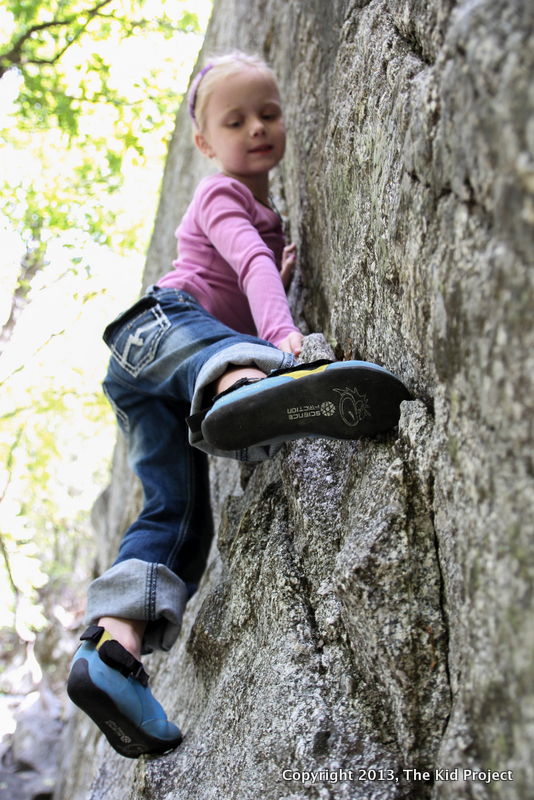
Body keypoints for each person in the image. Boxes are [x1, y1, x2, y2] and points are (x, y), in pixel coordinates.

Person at [67, 52, 411, 758]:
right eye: (235, 119)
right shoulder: (223, 196)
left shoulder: (263, 221)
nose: (256, 127)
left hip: (148, 382)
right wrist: (284, 339)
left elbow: (258, 268)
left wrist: (269, 292)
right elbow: (247, 265)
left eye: (270, 113)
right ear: (204, 142)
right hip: (159, 330)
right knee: (219, 358)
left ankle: (112, 651)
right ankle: (238, 388)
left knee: (178, 518)